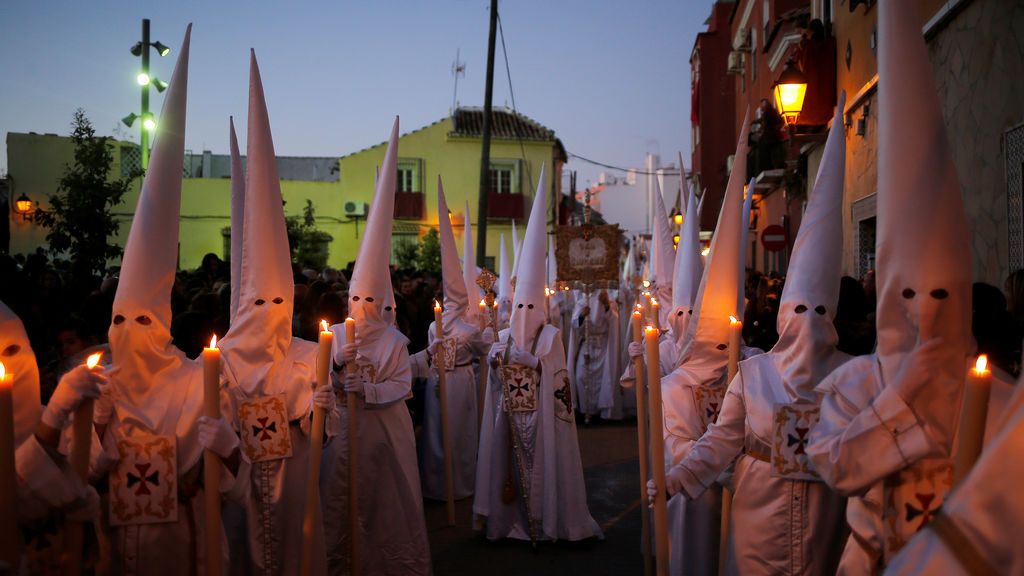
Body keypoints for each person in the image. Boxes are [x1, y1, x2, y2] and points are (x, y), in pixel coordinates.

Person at [806, 2, 1015, 572]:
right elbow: (833, 464)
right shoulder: (856, 383)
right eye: (908, 294)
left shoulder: (1001, 395)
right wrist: (903, 400)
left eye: (941, 295)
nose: (924, 311)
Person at [651, 95, 851, 575]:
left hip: (827, 517)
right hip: (759, 513)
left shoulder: (854, 376)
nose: (806, 320)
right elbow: (721, 440)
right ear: (783, 314)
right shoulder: (754, 374)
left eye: (817, 310)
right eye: (798, 308)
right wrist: (678, 478)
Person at [97, 28, 251, 574]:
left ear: (163, 322)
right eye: (119, 320)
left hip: (187, 548)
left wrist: (229, 447)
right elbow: (70, 479)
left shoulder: (196, 383)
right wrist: (84, 424)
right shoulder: (98, 387)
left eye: (142, 319)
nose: (129, 331)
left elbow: (235, 488)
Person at [218, 51, 335, 575]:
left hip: (293, 479)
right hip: (239, 478)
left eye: (278, 303)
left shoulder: (308, 355)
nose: (268, 314)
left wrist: (317, 406)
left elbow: (315, 422)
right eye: (257, 303)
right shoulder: (218, 363)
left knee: (291, 544)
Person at [324, 118, 431, 575]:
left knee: (385, 498)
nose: (363, 307)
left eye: (371, 299)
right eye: (356, 298)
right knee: (340, 496)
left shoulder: (393, 340)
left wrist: (369, 391)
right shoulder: (338, 334)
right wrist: (333, 365)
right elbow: (323, 378)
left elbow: (402, 384)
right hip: (346, 434)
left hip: (383, 434)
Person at [475, 166, 602, 542]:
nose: (524, 315)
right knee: (509, 467)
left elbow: (559, 384)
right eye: (519, 308)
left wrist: (538, 365)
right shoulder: (502, 335)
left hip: (543, 419)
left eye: (531, 307)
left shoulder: (550, 336)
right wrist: (494, 360)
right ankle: (509, 524)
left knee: (543, 465)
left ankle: (548, 522)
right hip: (509, 419)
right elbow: (495, 379)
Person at [657, 110, 757, 576]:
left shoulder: (755, 372)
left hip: (747, 493)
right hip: (696, 493)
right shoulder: (675, 386)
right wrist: (713, 467)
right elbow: (677, 447)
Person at [411, 177, 491, 500]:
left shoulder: (470, 330)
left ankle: (460, 486)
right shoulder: (435, 326)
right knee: (435, 437)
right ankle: (436, 486)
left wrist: (490, 325)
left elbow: (485, 350)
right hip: (436, 384)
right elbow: (430, 353)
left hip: (460, 385)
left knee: (459, 436)